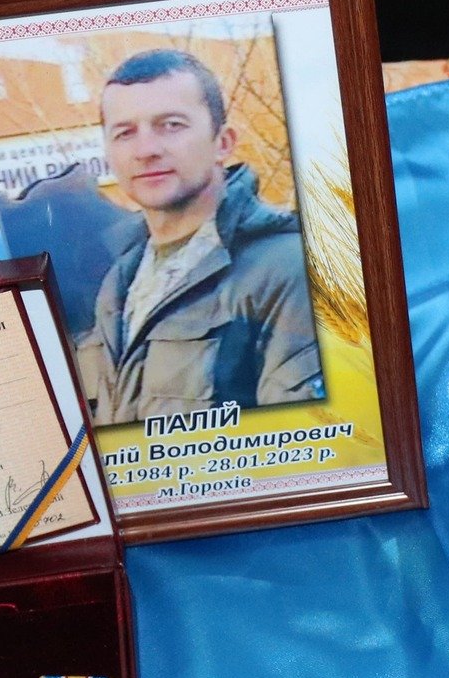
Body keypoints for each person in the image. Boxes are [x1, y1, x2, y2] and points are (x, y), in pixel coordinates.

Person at [77, 48, 323, 427]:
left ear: (223, 142)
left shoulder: (288, 268)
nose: (146, 150)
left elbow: (309, 440)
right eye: (125, 133)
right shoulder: (118, 280)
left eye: (171, 125)